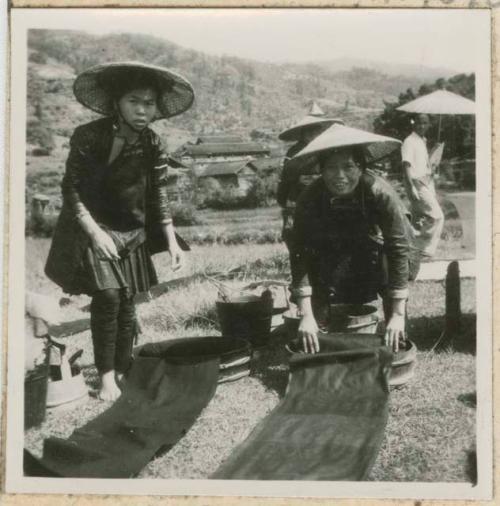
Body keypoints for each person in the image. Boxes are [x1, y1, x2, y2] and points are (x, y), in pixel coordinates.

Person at [45, 62, 194, 401]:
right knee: (109, 296)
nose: (142, 109)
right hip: (92, 227)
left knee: (127, 302)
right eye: (133, 101)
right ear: (117, 102)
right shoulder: (89, 136)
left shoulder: (154, 142)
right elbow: (71, 189)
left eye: (149, 103)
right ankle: (107, 377)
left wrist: (171, 242)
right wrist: (96, 234)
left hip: (133, 229)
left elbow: (158, 192)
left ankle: (124, 369)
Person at [289, 125, 419, 355]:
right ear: (321, 170)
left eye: (348, 167)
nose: (339, 176)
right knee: (318, 267)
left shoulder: (381, 193)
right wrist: (306, 315)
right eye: (331, 168)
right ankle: (319, 325)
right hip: (338, 251)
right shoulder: (309, 198)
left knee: (390, 263)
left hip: (383, 251)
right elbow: (300, 253)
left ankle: (395, 324)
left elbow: (398, 248)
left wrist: (398, 315)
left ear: (361, 168)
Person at [277, 109, 343, 253]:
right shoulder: (294, 153)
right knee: (300, 247)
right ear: (303, 133)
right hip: (299, 203)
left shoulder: (328, 149)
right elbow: (286, 181)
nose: (315, 134)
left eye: (318, 131)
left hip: (325, 202)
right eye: (311, 131)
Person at [401, 113, 444, 258]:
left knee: (416, 219)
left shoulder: (421, 140)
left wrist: (434, 151)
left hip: (426, 182)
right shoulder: (409, 141)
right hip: (416, 183)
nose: (422, 126)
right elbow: (406, 165)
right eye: (419, 123)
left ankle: (409, 247)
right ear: (414, 124)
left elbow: (424, 163)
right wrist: (411, 186)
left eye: (425, 123)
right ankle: (424, 249)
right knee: (436, 216)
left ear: (429, 125)